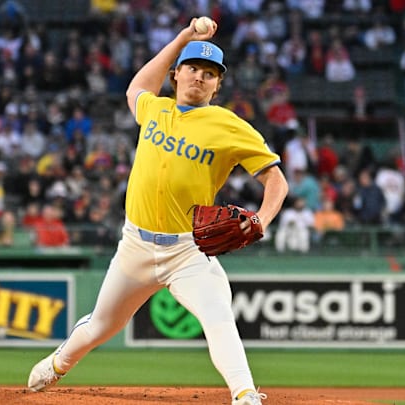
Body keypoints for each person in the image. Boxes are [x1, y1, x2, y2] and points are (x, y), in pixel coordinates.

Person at [27, 18, 288, 405]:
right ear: (176, 74)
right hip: (135, 244)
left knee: (218, 318)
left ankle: (245, 394)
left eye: (210, 74)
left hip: (188, 251)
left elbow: (276, 181)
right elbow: (136, 86)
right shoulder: (155, 110)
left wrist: (261, 220)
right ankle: (58, 364)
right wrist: (184, 37)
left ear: (217, 86)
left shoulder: (228, 125)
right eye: (193, 68)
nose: (200, 77)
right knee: (101, 325)